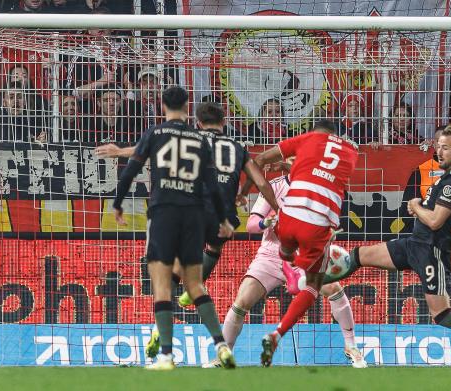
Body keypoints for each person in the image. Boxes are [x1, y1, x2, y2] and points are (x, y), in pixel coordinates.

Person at [323, 125, 451, 368]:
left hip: (431, 251)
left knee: (442, 314)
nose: (439, 151)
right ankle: (313, 282)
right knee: (357, 256)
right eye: (438, 146)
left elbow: (435, 220)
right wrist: (424, 209)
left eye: (445, 148)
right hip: (413, 243)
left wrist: (416, 206)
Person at [111, 86, 236, 370]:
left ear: (162, 105)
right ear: (187, 105)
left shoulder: (155, 134)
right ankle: (221, 345)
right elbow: (212, 184)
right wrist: (224, 219)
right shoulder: (198, 138)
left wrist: (117, 203)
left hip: (164, 212)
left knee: (163, 286)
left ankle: (166, 356)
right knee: (194, 284)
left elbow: (131, 169)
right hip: (193, 215)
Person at [208, 170, 367, 368]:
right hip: (271, 255)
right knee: (241, 302)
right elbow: (250, 225)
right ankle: (224, 356)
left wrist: (327, 235)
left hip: (303, 256)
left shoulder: (318, 189)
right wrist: (265, 222)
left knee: (334, 289)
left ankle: (351, 346)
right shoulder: (273, 187)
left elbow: (326, 226)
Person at [240, 120, 358, 367]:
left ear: (313, 133)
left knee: (288, 249)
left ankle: (290, 265)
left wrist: (242, 192)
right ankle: (279, 331)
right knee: (313, 287)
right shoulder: (351, 151)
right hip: (317, 225)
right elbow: (322, 172)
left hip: (288, 218)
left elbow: (258, 160)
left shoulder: (306, 140)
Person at [174, 102, 280, 307]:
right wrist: (277, 209)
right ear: (223, 122)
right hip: (223, 217)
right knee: (214, 247)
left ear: (198, 124)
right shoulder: (237, 148)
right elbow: (261, 183)